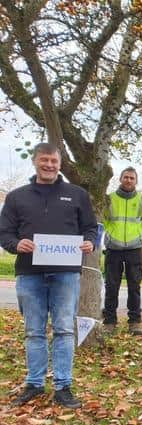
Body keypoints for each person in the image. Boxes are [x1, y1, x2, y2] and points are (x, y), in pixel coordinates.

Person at [0, 143, 97, 408]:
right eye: (44, 160)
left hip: (66, 274)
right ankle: (34, 383)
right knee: (34, 331)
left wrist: (89, 242)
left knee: (65, 330)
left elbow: (90, 228)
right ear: (35, 162)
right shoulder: (17, 197)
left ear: (60, 163)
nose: (49, 165)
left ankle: (63, 387)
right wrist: (15, 244)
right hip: (29, 274)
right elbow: (4, 232)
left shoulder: (77, 195)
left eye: (54, 161)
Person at [102, 167, 142, 336]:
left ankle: (135, 322)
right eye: (126, 177)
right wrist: (110, 235)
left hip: (134, 248)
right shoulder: (109, 199)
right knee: (111, 286)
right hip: (113, 248)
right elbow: (105, 220)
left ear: (136, 181)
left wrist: (137, 235)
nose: (128, 180)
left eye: (132, 178)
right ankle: (109, 321)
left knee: (134, 286)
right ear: (120, 179)